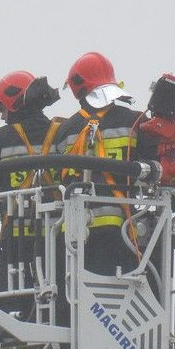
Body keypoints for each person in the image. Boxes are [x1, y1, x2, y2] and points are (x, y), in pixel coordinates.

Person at [54, 51, 158, 277]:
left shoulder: (65, 131)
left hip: (73, 231)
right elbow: (154, 162)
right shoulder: (134, 122)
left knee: (73, 300)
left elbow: (55, 178)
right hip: (120, 228)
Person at [0, 71, 61, 321]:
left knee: (11, 307)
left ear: (14, 103)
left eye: (4, 109)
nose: (4, 116)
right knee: (56, 305)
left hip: (15, 241)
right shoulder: (60, 133)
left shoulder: (2, 138)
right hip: (55, 241)